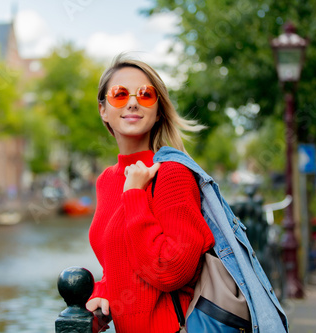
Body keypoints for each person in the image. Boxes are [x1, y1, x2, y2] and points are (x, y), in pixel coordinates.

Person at [86, 55, 215, 333]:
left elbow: (171, 271)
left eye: (145, 95)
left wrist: (134, 195)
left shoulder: (171, 174)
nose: (132, 102)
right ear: (103, 110)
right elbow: (119, 261)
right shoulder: (106, 180)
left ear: (158, 110)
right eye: (119, 94)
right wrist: (102, 288)